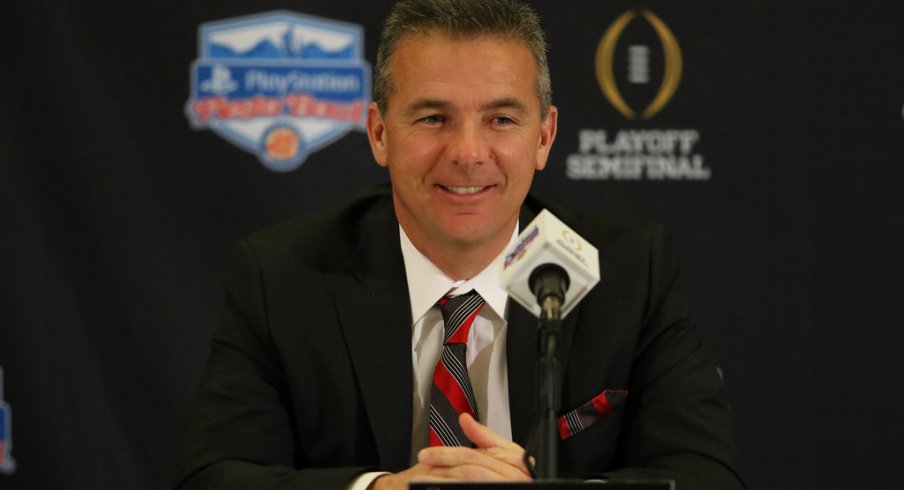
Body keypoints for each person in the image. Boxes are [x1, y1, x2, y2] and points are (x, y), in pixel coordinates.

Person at [174, 1, 745, 489]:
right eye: (432, 118)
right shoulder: (282, 277)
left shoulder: (625, 273)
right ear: (378, 133)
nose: (468, 152)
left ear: (543, 136)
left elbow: (707, 475)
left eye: (500, 119)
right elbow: (213, 476)